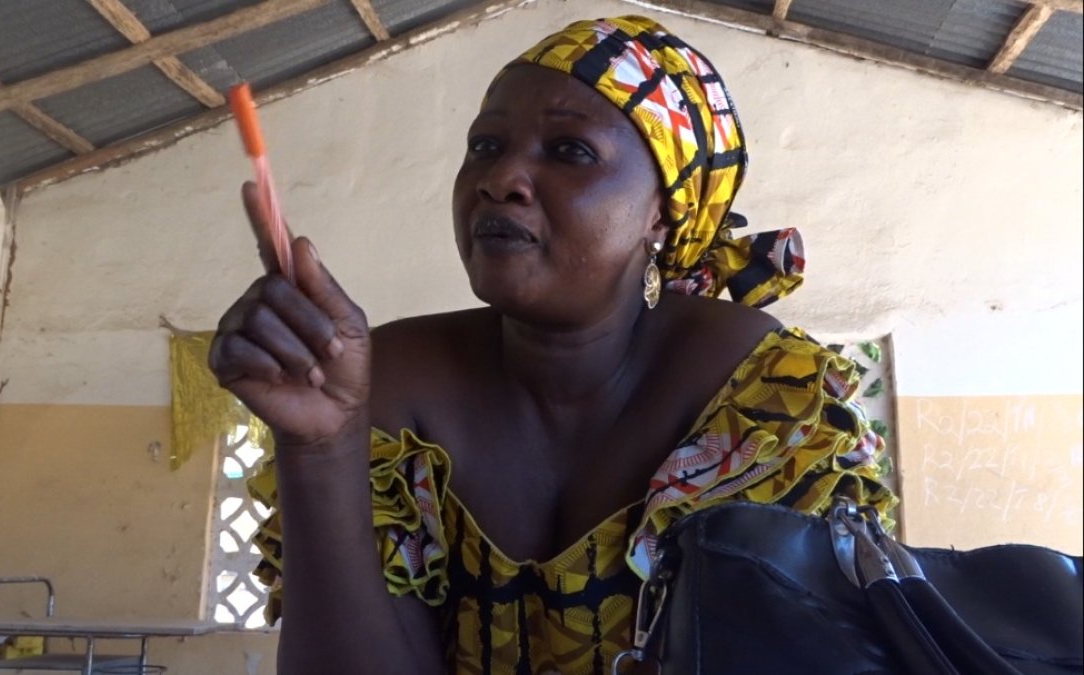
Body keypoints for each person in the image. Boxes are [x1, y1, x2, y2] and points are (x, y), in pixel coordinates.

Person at [208, 15, 895, 675]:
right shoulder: (383, 385)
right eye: (485, 145)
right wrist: (321, 448)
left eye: (570, 151)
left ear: (662, 209)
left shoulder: (766, 404)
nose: (498, 179)